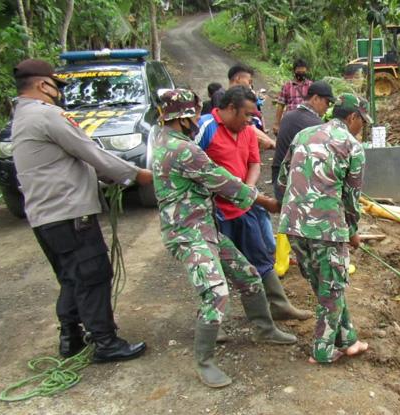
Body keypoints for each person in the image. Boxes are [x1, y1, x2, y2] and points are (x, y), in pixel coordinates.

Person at [151, 89, 295, 388]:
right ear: (184, 116)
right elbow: (223, 181)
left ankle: (264, 329)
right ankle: (205, 361)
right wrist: (268, 203)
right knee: (215, 293)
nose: (196, 119)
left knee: (249, 275)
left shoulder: (165, 140)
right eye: (193, 114)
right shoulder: (182, 149)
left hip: (205, 228)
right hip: (188, 234)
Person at [11, 58, 148, 363]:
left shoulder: (20, 117)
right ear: (43, 85)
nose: (57, 92)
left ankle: (70, 337)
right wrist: (137, 175)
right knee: (92, 274)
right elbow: (92, 153)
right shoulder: (49, 115)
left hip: (45, 216)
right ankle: (105, 342)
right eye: (55, 86)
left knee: (72, 277)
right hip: (69, 213)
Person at [196, 85, 312, 329]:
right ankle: (213, 323)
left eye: (253, 116)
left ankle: (279, 306)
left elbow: (254, 163)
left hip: (244, 208)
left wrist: (247, 191)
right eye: (247, 114)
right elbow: (195, 169)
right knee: (215, 268)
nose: (250, 120)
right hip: (215, 213)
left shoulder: (248, 132)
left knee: (261, 258)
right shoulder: (206, 128)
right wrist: (247, 195)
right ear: (229, 109)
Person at [277, 93, 371, 364]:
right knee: (332, 288)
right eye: (361, 122)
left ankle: (349, 339)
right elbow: (352, 198)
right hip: (326, 229)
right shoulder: (352, 146)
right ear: (352, 117)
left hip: (293, 225)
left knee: (326, 286)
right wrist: (352, 230)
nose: (360, 127)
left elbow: (284, 177)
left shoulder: (304, 135)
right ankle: (323, 350)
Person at [271, 80, 335, 203]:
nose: (328, 107)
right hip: (294, 185)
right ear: (316, 98)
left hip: (278, 180)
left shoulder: (288, 116)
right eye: (328, 102)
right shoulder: (315, 125)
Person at [208, 64, 274, 150]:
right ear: (238, 79)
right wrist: (271, 142)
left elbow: (249, 126)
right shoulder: (220, 95)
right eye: (249, 81)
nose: (250, 85)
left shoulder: (244, 98)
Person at [272, 58, 312, 136]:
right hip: (290, 122)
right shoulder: (287, 86)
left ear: (306, 71)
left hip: (306, 123)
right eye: (299, 72)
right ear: (294, 71)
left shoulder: (311, 86)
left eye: (303, 72)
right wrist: (277, 124)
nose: (301, 74)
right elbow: (281, 105)